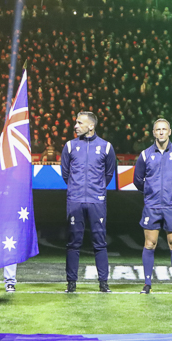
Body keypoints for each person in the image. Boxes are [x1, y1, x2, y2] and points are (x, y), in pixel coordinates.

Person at [133, 118, 172, 294]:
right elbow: (138, 180)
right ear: (153, 133)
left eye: (164, 129)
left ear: (169, 132)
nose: (161, 132)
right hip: (152, 206)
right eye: (157, 129)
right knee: (150, 243)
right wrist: (151, 193)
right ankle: (147, 284)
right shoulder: (145, 155)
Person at [61, 111, 117, 293]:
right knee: (73, 242)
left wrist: (98, 189)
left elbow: (109, 173)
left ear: (91, 126)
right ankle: (71, 283)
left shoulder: (106, 147)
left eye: (79, 123)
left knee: (99, 242)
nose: (75, 126)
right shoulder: (69, 146)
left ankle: (103, 283)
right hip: (75, 200)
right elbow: (65, 174)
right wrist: (76, 190)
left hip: (96, 200)